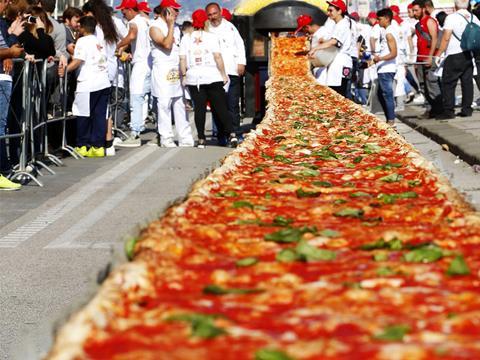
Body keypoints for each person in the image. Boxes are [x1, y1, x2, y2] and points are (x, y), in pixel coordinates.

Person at [179, 9, 237, 148]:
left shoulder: (186, 38)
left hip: (195, 77)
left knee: (200, 109)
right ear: (205, 21)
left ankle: (201, 139)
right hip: (212, 75)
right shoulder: (211, 37)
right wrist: (223, 74)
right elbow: (218, 57)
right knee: (221, 108)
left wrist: (184, 75)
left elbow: (182, 59)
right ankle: (232, 135)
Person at [61, 16, 111, 157]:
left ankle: (83, 145)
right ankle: (98, 147)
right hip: (103, 81)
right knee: (99, 115)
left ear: (82, 28)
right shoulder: (98, 40)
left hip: (88, 83)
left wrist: (64, 70)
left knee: (82, 114)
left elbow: (78, 60)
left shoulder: (82, 41)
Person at [149, 0, 194, 147]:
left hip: (176, 68)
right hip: (162, 69)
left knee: (180, 104)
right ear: (166, 10)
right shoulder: (154, 26)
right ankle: (166, 137)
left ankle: (185, 137)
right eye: (174, 9)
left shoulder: (176, 27)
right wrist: (169, 25)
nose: (177, 12)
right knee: (164, 103)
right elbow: (167, 45)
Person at [206, 2, 246, 139]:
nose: (213, 17)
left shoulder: (230, 27)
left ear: (220, 12)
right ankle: (220, 134)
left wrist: (241, 62)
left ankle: (236, 133)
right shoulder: (206, 29)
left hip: (231, 70)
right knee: (217, 106)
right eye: (210, 15)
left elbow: (239, 45)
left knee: (233, 105)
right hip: (214, 73)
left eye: (215, 13)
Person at [435, 0, 480, 119]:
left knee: (448, 83)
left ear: (455, 6)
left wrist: (439, 54)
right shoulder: (473, 17)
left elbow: (446, 37)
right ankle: (467, 109)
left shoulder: (451, 18)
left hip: (453, 54)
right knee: (467, 82)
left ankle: (449, 111)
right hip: (468, 54)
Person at [116, 0, 152, 148]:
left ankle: (135, 133)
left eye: (123, 11)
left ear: (130, 9)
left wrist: (118, 45)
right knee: (148, 98)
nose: (122, 14)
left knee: (136, 98)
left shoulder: (134, 21)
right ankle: (161, 133)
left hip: (141, 64)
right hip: (149, 63)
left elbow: (131, 35)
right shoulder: (146, 20)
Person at [0, 0, 23, 190]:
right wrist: (9, 52)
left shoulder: (1, 22)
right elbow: (8, 47)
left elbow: (8, 44)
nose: (5, 4)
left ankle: (4, 168)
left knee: (1, 126)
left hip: (4, 77)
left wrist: (8, 52)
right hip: (1, 78)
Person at [309, 0, 352, 97]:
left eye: (331, 10)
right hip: (335, 62)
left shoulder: (343, 25)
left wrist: (315, 48)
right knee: (335, 94)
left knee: (341, 94)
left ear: (339, 11)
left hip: (342, 62)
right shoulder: (337, 24)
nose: (328, 13)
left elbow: (334, 41)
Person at [412, 0, 443, 118]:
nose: (414, 13)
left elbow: (434, 39)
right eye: (413, 10)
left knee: (432, 84)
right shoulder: (418, 24)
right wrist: (417, 61)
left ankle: (439, 110)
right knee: (423, 85)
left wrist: (430, 57)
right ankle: (430, 109)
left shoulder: (429, 21)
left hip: (429, 58)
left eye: (416, 10)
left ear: (423, 9)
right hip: (420, 58)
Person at [373, 8, 398, 126]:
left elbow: (394, 53)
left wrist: (380, 59)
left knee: (386, 94)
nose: (378, 21)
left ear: (387, 19)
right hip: (385, 67)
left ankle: (391, 120)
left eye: (380, 19)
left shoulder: (389, 33)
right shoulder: (390, 30)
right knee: (382, 94)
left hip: (386, 68)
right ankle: (390, 118)